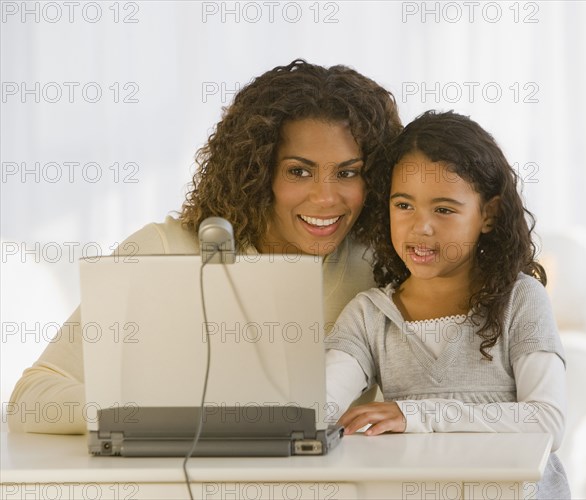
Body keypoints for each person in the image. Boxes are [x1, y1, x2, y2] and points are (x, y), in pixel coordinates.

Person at [8, 59, 402, 434]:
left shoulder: (378, 267)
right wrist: (163, 406)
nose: (326, 198)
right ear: (257, 170)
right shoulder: (161, 251)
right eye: (298, 171)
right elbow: (32, 400)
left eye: (348, 173)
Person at [325, 110, 570, 499]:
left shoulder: (521, 299)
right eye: (403, 205)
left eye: (443, 210)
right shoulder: (369, 315)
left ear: (487, 215)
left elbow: (547, 422)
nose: (420, 227)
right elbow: (321, 403)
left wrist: (415, 414)